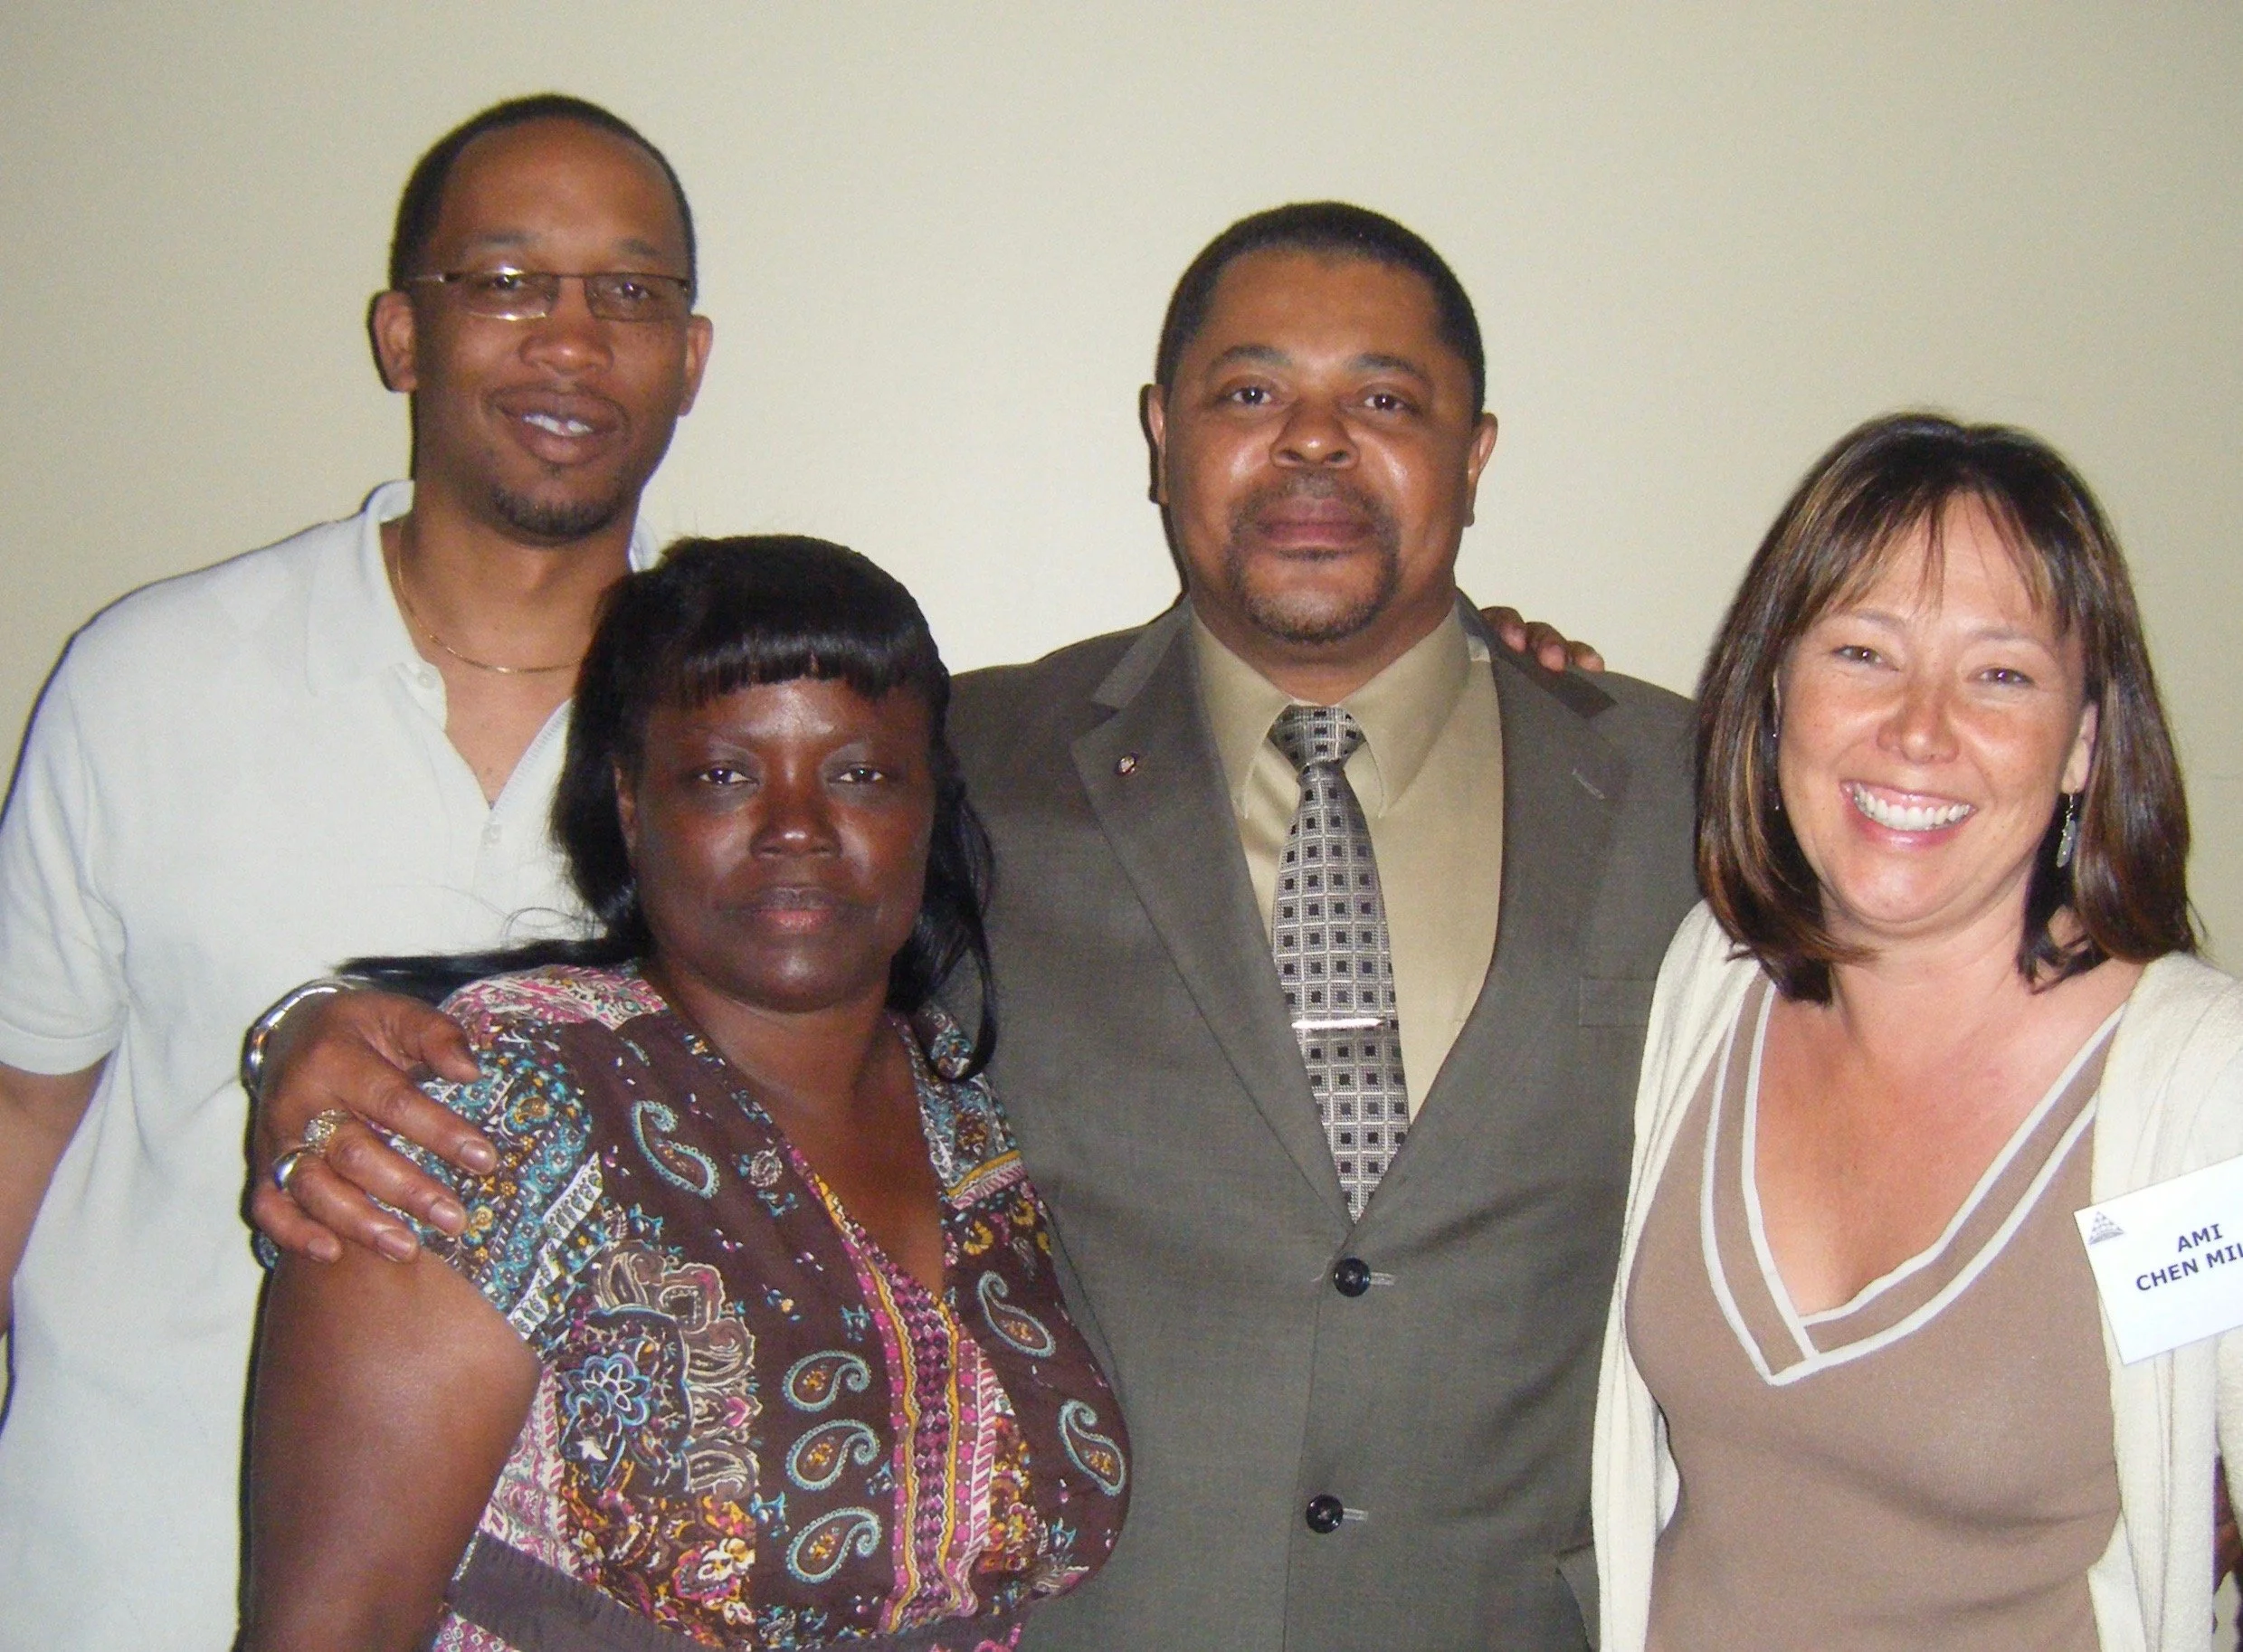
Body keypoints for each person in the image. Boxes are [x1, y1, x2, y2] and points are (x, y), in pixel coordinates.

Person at [258, 203, 1697, 1648]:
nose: (1311, 443)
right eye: (1248, 393)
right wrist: (303, 1039)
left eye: (1382, 399)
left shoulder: (1681, 796)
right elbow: (696, 989)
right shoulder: (968, 760)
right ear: (1160, 433)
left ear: (1474, 450)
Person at [0, 93, 711, 1649]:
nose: (570, 340)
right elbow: (21, 1108)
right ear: (403, 332)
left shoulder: (738, 761)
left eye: (630, 293)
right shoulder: (152, 675)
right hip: (126, 1578)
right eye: (506, 281)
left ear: (690, 358)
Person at [242, 536, 1127, 1651]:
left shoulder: (966, 1104)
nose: (796, 826)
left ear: (927, 806)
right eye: (723, 774)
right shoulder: (496, 1107)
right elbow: (336, 1622)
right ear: (628, 801)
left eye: (859, 773)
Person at [1591, 413, 2243, 1649]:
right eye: (1860, 651)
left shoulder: (2196, 1098)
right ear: (1773, 688)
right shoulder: (1708, 986)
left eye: (1998, 673)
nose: (1917, 729)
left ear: (2084, 744)